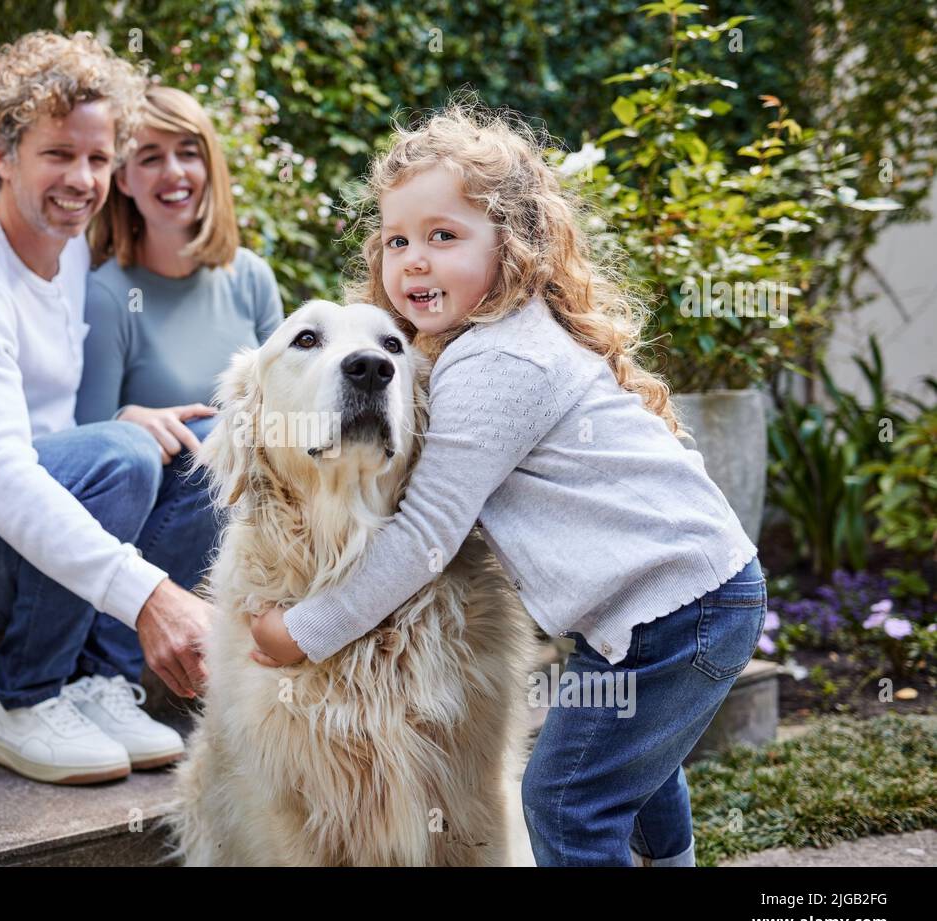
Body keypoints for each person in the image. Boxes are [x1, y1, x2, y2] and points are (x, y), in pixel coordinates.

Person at [247, 100, 767, 866]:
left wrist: (303, 631)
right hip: (682, 598)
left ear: (515, 246)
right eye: (397, 240)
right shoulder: (491, 343)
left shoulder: (498, 364)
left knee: (565, 797)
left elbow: (427, 534)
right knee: (639, 779)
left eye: (443, 236)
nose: (414, 261)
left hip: (677, 611)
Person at [0, 31, 218, 787]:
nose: (81, 178)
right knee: (118, 460)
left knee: (201, 441)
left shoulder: (72, 255)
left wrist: (120, 424)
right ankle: (21, 698)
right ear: (1, 153)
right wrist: (149, 594)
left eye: (96, 157)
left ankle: (102, 681)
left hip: (3, 515)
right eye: (58, 154)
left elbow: (50, 440)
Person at [76, 85, 283, 453]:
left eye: (188, 153)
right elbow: (87, 444)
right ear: (122, 179)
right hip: (163, 500)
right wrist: (126, 419)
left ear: (208, 166)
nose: (173, 172)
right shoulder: (106, 296)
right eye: (151, 158)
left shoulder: (251, 278)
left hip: (253, 498)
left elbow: (286, 405)